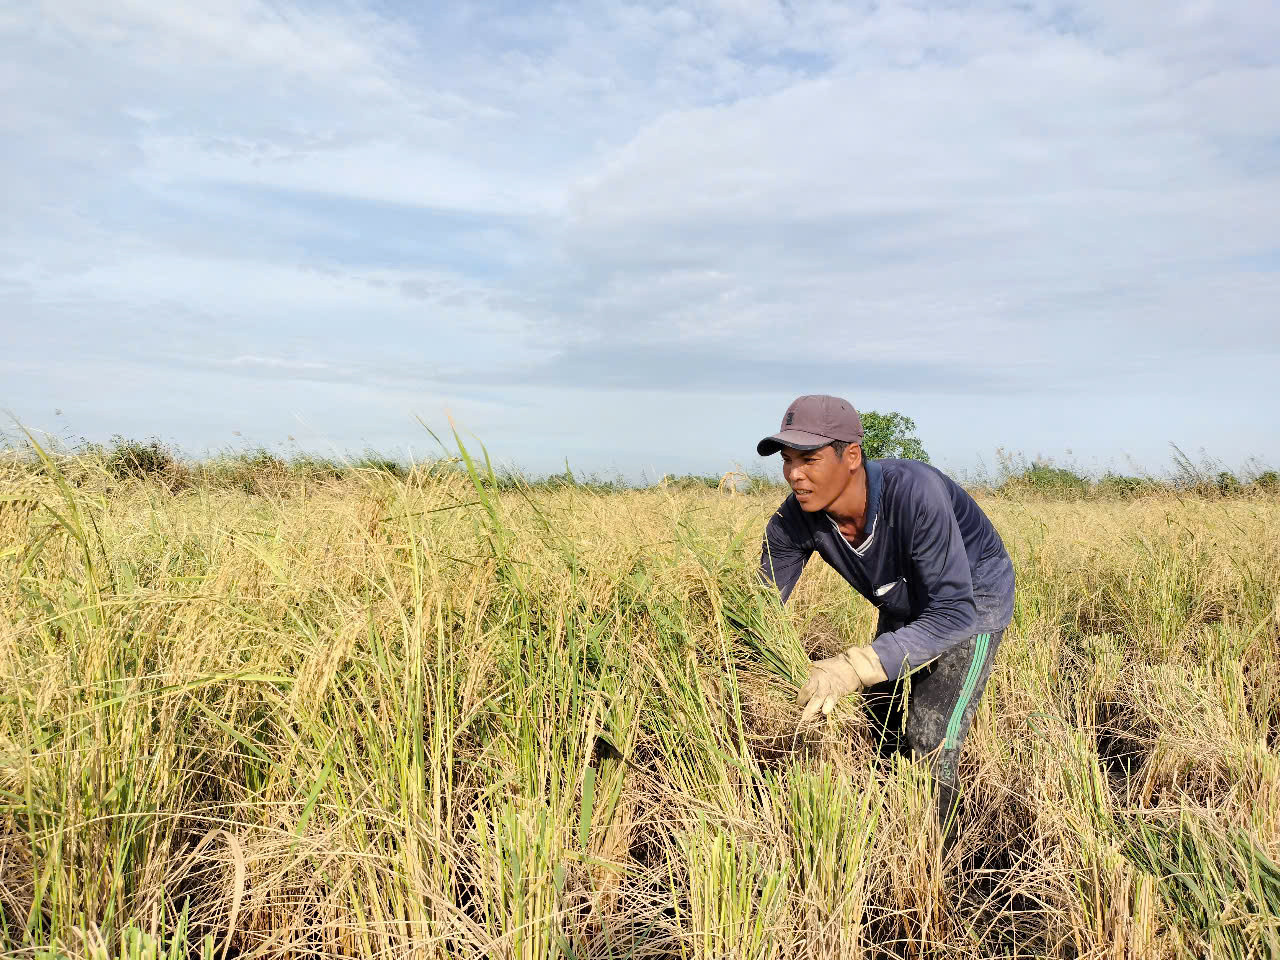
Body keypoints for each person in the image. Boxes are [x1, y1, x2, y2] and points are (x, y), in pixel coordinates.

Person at [756, 394, 1015, 833]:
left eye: (809, 459)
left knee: (931, 731)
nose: (794, 475)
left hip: (971, 601)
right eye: (787, 460)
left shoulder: (914, 493)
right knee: (879, 714)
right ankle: (887, 819)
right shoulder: (792, 521)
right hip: (901, 597)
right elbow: (758, 606)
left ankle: (934, 851)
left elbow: (952, 612)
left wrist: (853, 666)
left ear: (851, 455)